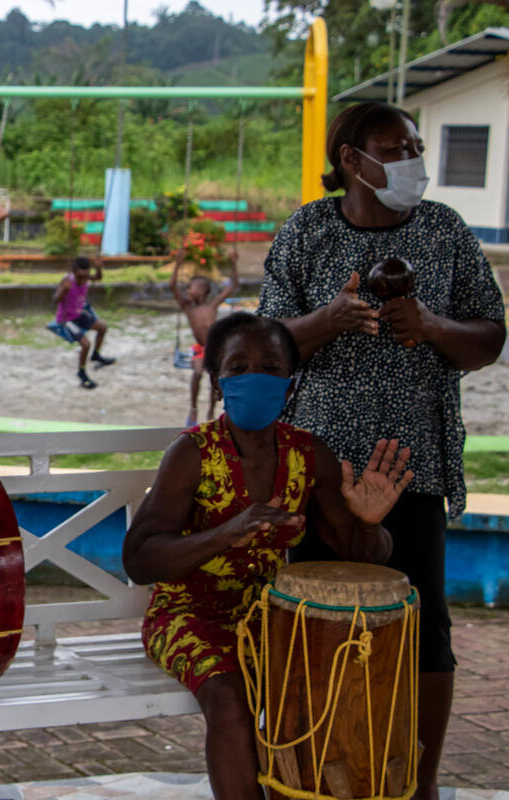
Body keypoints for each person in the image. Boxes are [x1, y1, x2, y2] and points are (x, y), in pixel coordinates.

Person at [258, 101, 506, 800]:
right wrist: (327, 320)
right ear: (352, 162)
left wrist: (429, 326)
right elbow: (268, 346)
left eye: (416, 147)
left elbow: (488, 338)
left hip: (411, 462)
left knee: (423, 626)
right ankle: (308, 771)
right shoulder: (306, 230)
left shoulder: (444, 231)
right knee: (308, 614)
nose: (414, 162)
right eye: (398, 149)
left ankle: (418, 782)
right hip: (319, 465)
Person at [123, 312, 412, 800]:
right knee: (228, 697)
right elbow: (139, 558)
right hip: (185, 616)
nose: (255, 377)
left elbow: (363, 553)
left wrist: (368, 520)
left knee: (327, 689)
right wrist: (225, 533)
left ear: (289, 382)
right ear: (218, 383)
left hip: (271, 620)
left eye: (271, 367)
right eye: (239, 367)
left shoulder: (308, 454)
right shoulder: (192, 452)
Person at [170, 249, 239, 425]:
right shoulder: (188, 307)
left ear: (202, 291)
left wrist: (233, 263)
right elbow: (172, 286)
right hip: (200, 349)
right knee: (198, 371)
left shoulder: (212, 305)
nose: (187, 290)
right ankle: (193, 408)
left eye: (190, 288)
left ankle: (210, 410)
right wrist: (178, 264)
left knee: (214, 378)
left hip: (215, 348)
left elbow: (232, 287)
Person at [49, 256, 115, 389]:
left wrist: (99, 268)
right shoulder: (67, 281)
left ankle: (96, 355)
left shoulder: (85, 276)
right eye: (79, 278)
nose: (82, 281)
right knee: (85, 344)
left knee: (102, 327)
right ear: (73, 272)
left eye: (85, 277)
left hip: (79, 314)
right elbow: (55, 300)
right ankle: (82, 372)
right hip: (66, 319)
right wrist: (63, 291)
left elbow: (98, 277)